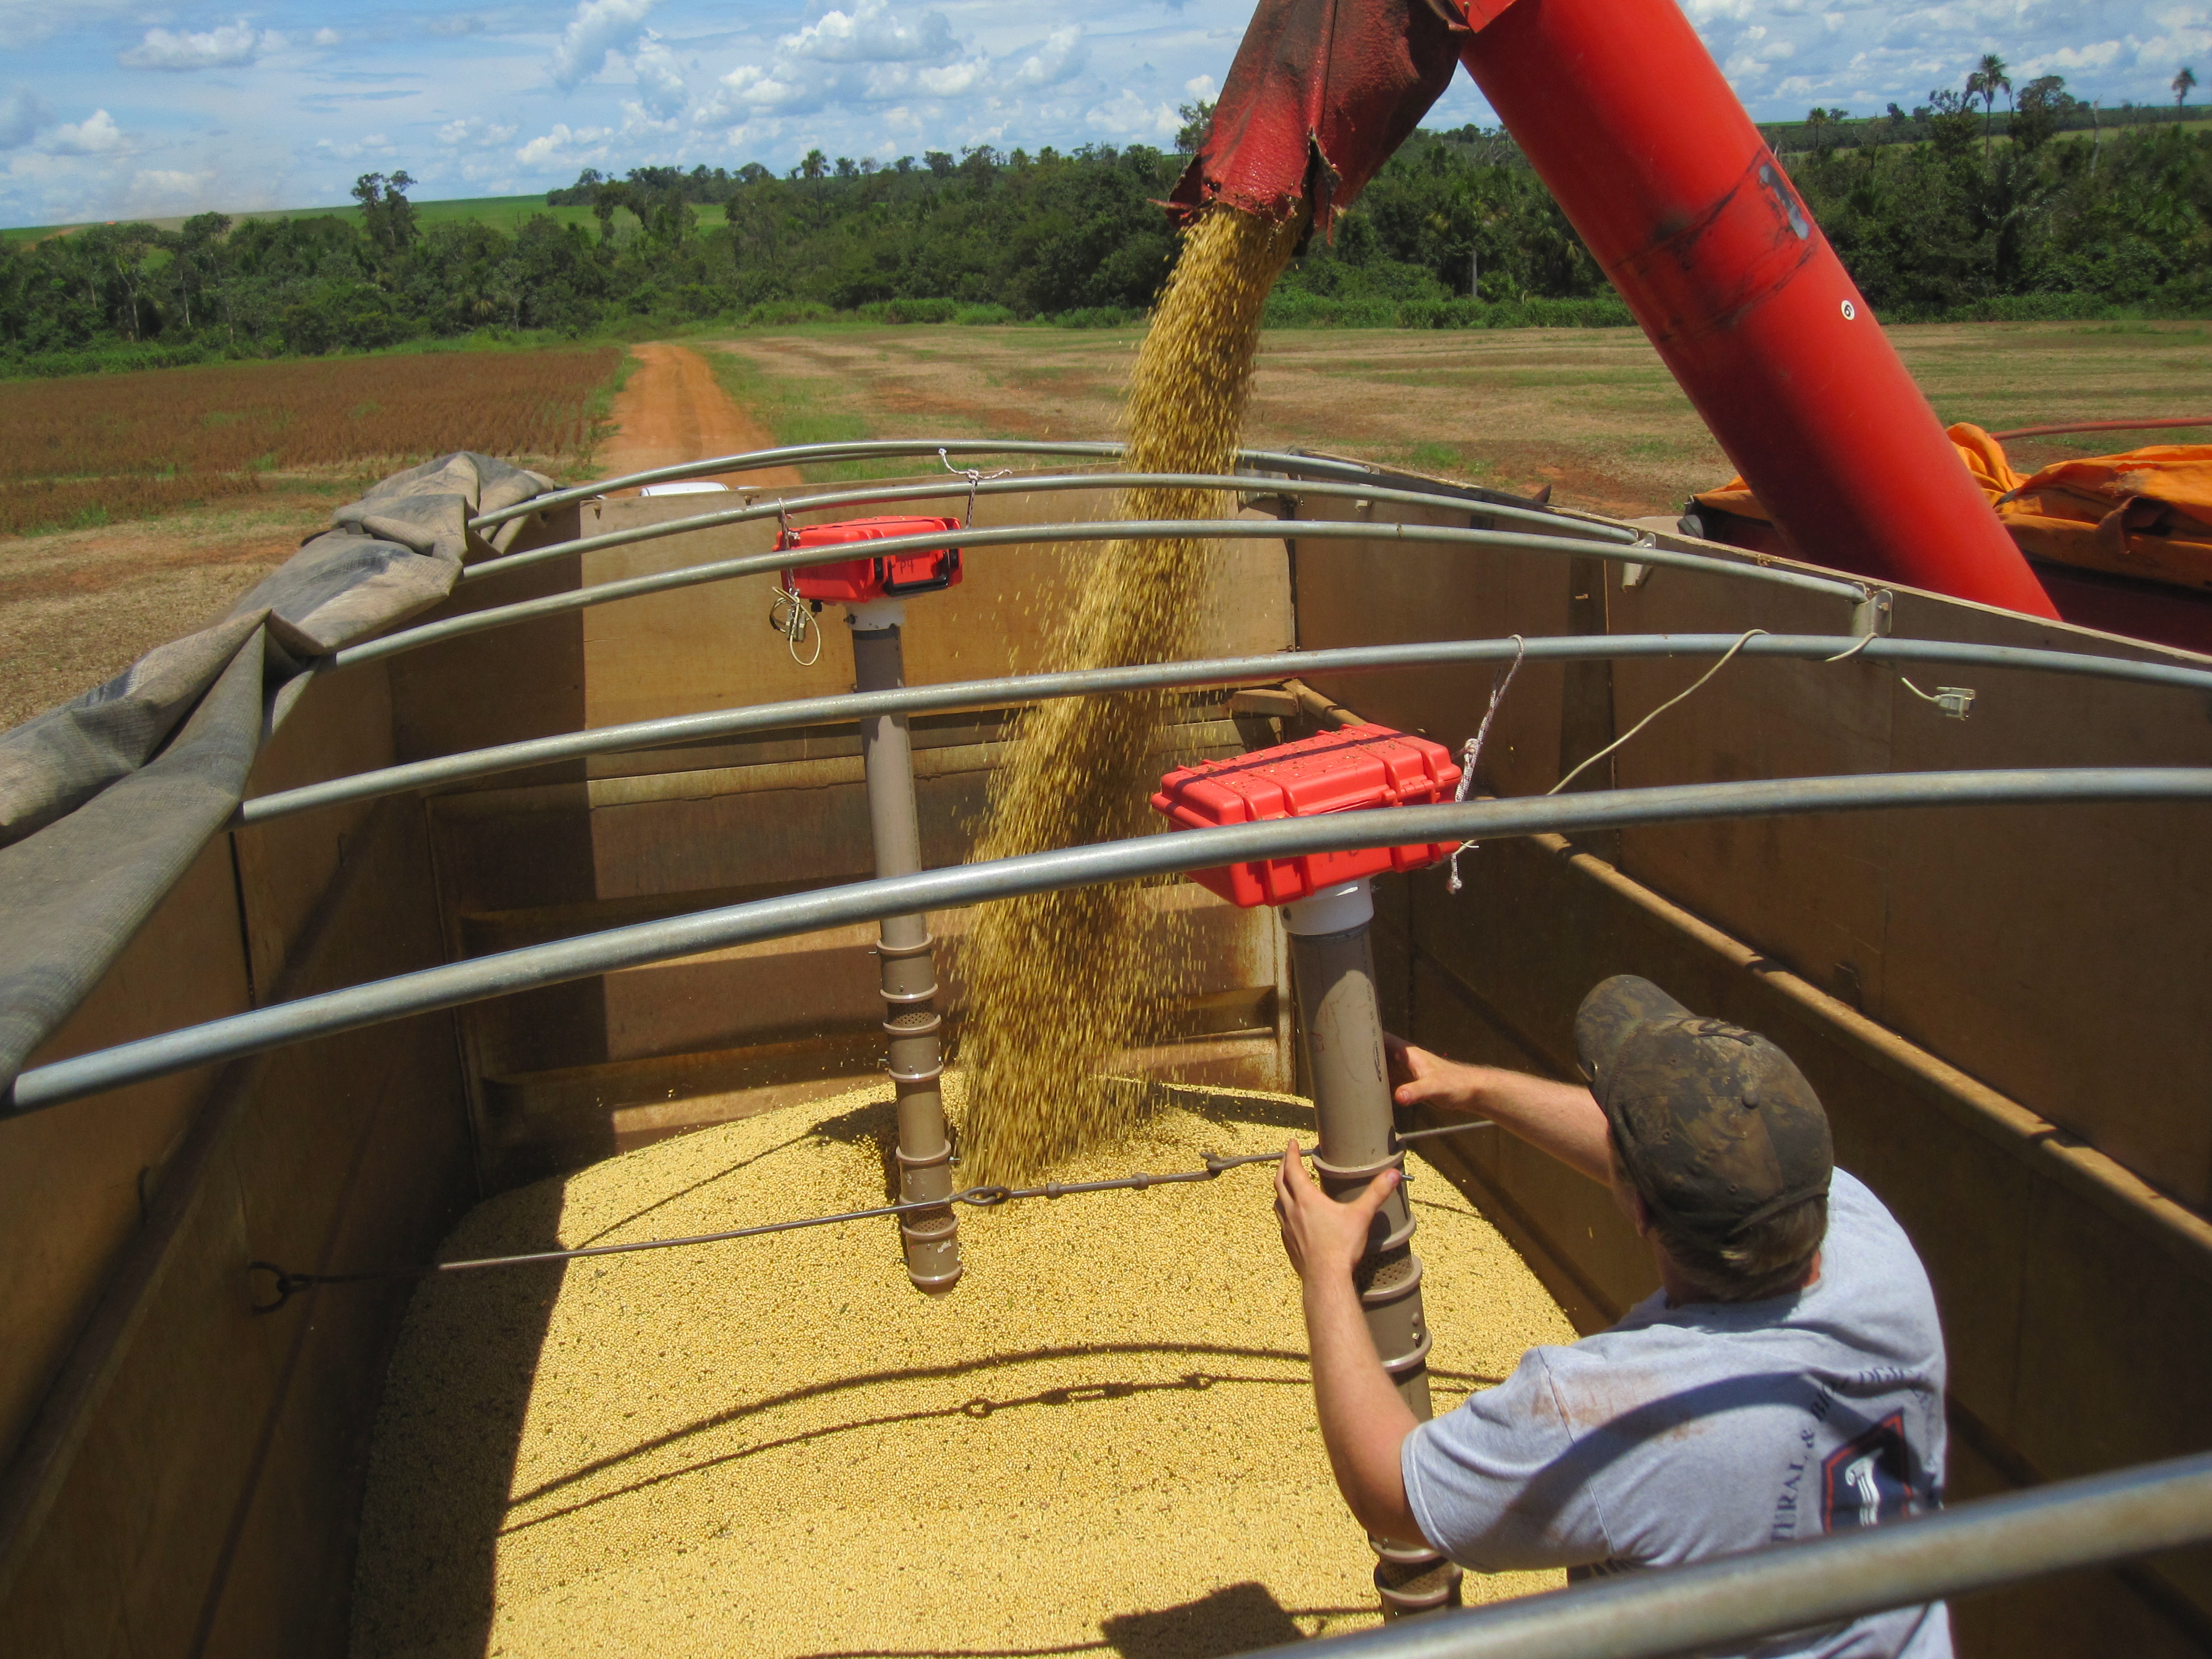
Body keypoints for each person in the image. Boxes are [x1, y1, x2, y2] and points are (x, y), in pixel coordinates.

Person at [1272, 974, 1951, 1657]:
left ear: (1637, 1211)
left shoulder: (1620, 1411)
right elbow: (1681, 1165)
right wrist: (1476, 1088)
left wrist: (1326, 1273)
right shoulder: (1873, 1252)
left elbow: (1390, 1488)